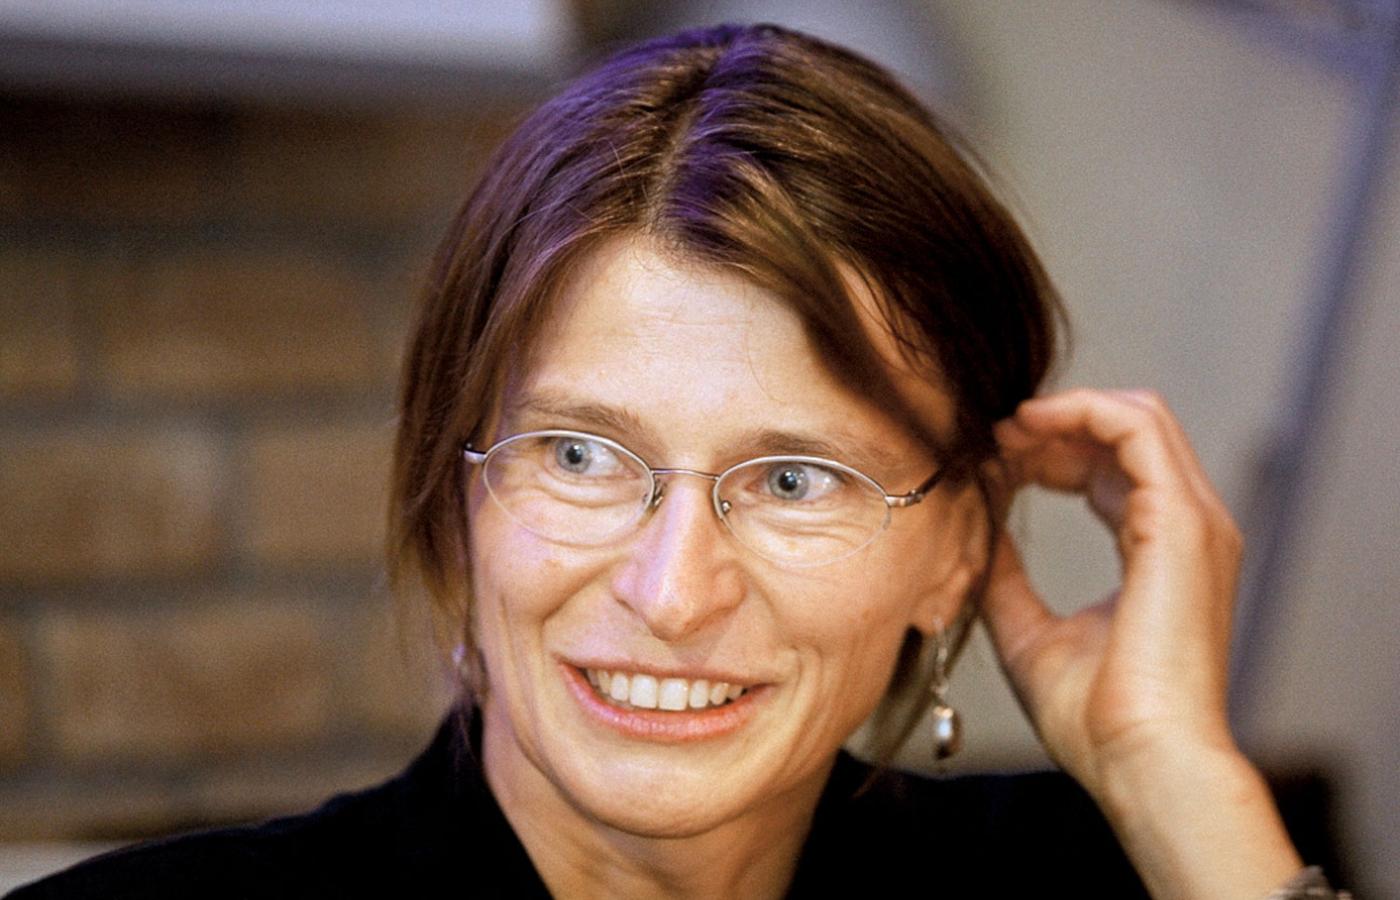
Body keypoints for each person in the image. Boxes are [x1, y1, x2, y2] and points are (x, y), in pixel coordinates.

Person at [11, 22, 1344, 900]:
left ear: (959, 544)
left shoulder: (1119, 877)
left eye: (794, 479)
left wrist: (1171, 777)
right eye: (581, 454)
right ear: (461, 492)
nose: (672, 589)